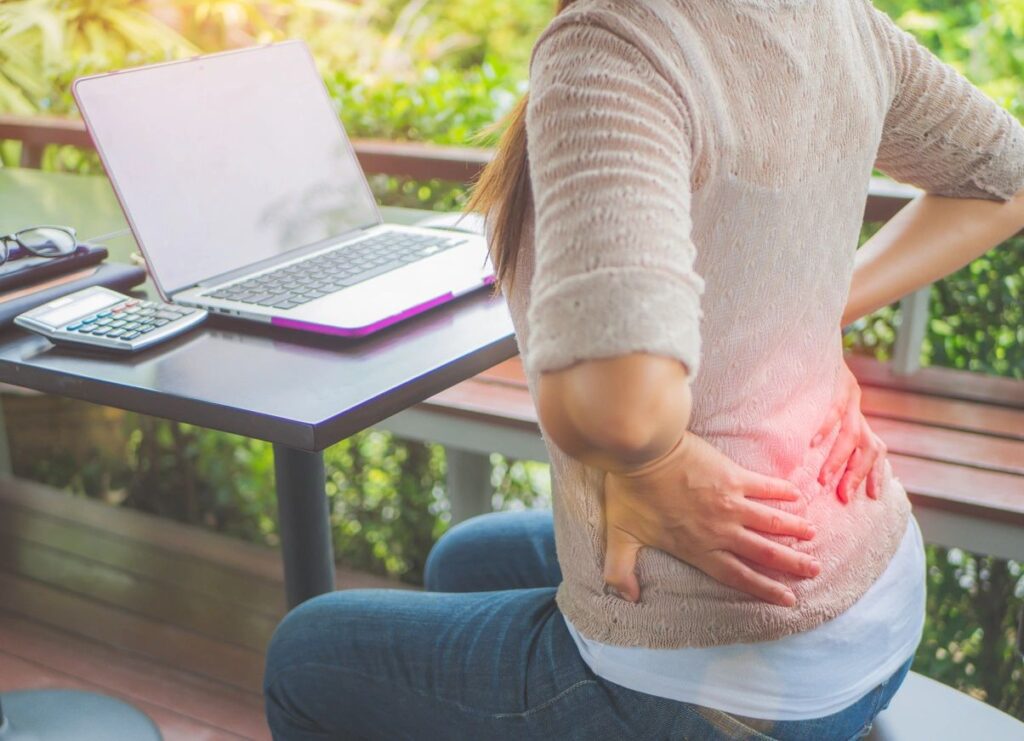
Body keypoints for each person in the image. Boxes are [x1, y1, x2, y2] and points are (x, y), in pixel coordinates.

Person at [263, 0, 1024, 738]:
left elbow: (621, 410)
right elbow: (1007, 180)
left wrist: (656, 458)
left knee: (301, 655)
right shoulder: (835, 15)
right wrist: (810, 317)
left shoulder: (615, 47)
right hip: (877, 606)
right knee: (463, 556)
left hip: (733, 679)